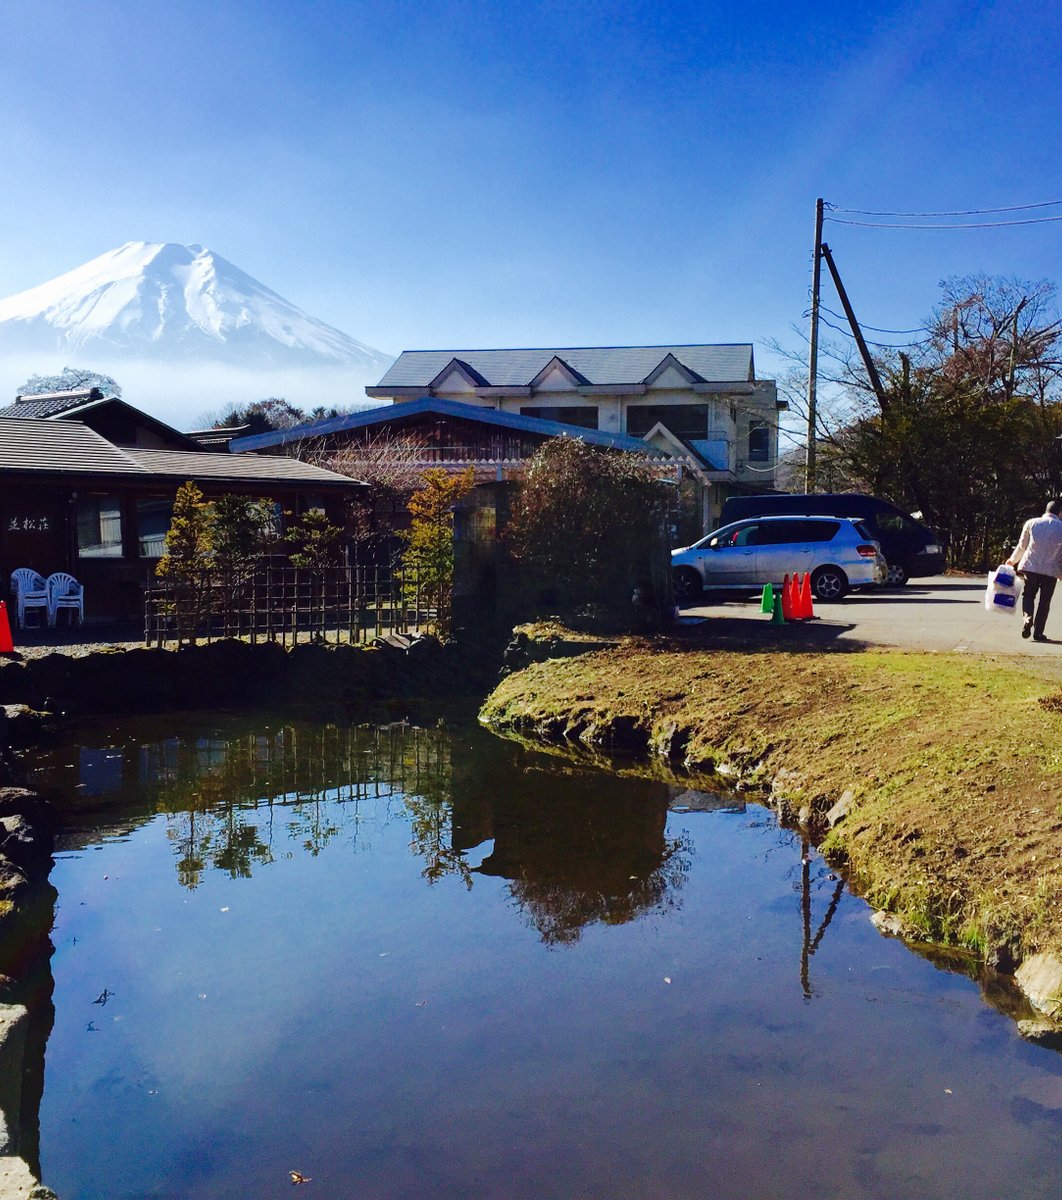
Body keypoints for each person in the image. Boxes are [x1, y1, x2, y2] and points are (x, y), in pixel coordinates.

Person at [1006, 500, 1062, 642]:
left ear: (1046, 510)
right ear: (1059, 513)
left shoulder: (1031, 523)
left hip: (1031, 567)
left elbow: (1022, 546)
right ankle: (1038, 632)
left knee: (1029, 596)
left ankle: (1027, 619)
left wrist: (1012, 561)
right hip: (1051, 570)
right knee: (1045, 602)